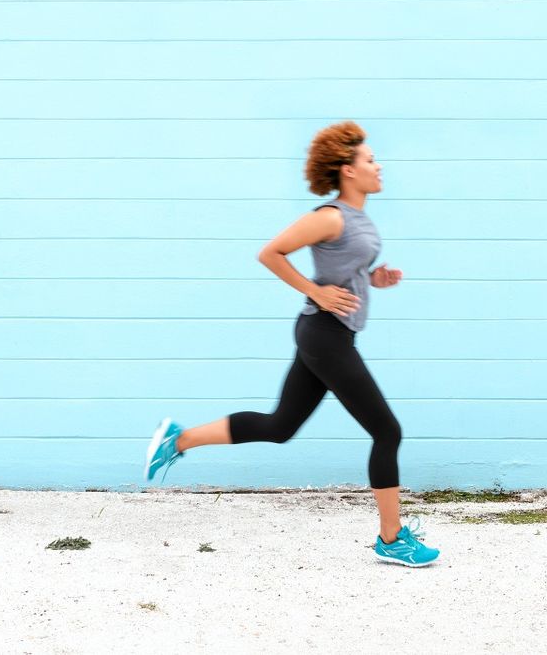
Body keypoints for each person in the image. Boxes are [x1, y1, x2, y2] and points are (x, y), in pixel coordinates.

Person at [144, 120, 440, 567]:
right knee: (387, 431)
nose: (379, 166)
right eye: (371, 160)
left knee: (280, 426)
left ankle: (179, 440)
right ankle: (392, 537)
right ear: (347, 170)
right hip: (325, 335)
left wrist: (375, 278)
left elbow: (348, 272)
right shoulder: (329, 217)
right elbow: (271, 253)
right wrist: (315, 291)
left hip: (328, 335)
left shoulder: (358, 219)